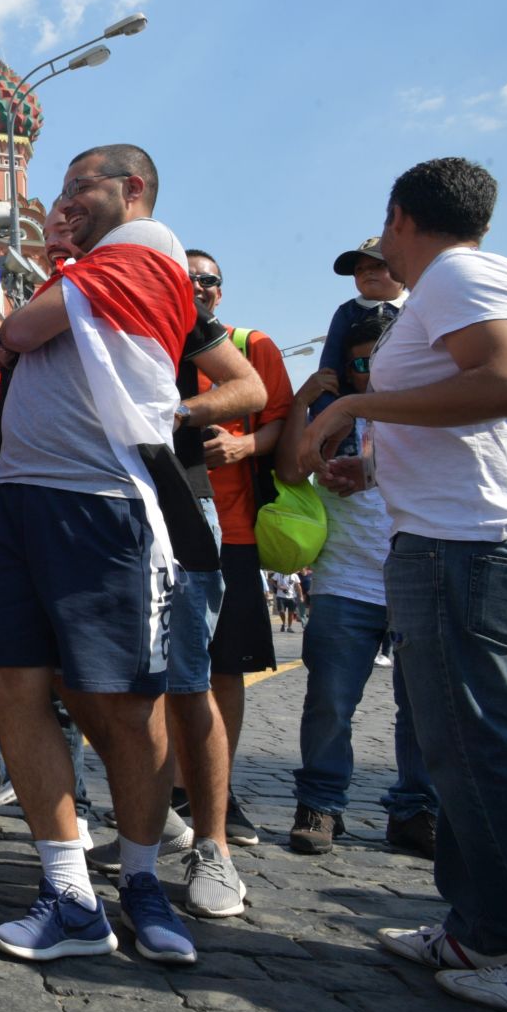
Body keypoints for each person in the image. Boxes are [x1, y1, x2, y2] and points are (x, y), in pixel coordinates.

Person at [303, 157, 507, 1012]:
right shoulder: (467, 280)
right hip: (459, 538)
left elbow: (506, 384)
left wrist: (354, 410)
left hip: (476, 548)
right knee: (460, 750)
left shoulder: (460, 273)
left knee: (482, 752)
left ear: (398, 217)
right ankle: (481, 924)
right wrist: (377, 466)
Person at [0, 145, 215, 968]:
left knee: (122, 705)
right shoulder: (86, 269)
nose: (68, 201)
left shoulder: (149, 250)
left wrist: (51, 266)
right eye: (64, 190)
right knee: (13, 687)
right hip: (18, 495)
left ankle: (143, 881)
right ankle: (70, 893)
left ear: (134, 189)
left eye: (83, 187)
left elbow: (17, 330)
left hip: (102, 503)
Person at [275, 313, 435, 858]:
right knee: (330, 703)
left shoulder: (427, 412)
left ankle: (416, 811)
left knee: (421, 709)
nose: (371, 373)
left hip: (417, 577)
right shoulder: (332, 414)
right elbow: (294, 471)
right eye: (360, 362)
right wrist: (305, 404)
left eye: (382, 361)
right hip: (347, 580)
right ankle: (320, 805)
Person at [187, 248, 292, 848]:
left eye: (209, 280)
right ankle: (175, 788)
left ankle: (218, 794)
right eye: (189, 278)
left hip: (234, 532)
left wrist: (245, 449)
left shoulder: (253, 346)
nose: (200, 287)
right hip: (167, 529)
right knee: (167, 670)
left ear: (220, 292)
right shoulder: (156, 340)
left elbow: (280, 419)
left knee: (225, 668)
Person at [315, 236, 406, 383]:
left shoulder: (417, 306)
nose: (367, 272)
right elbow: (329, 368)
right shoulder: (347, 312)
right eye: (359, 269)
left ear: (402, 268)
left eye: (378, 265)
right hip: (356, 399)